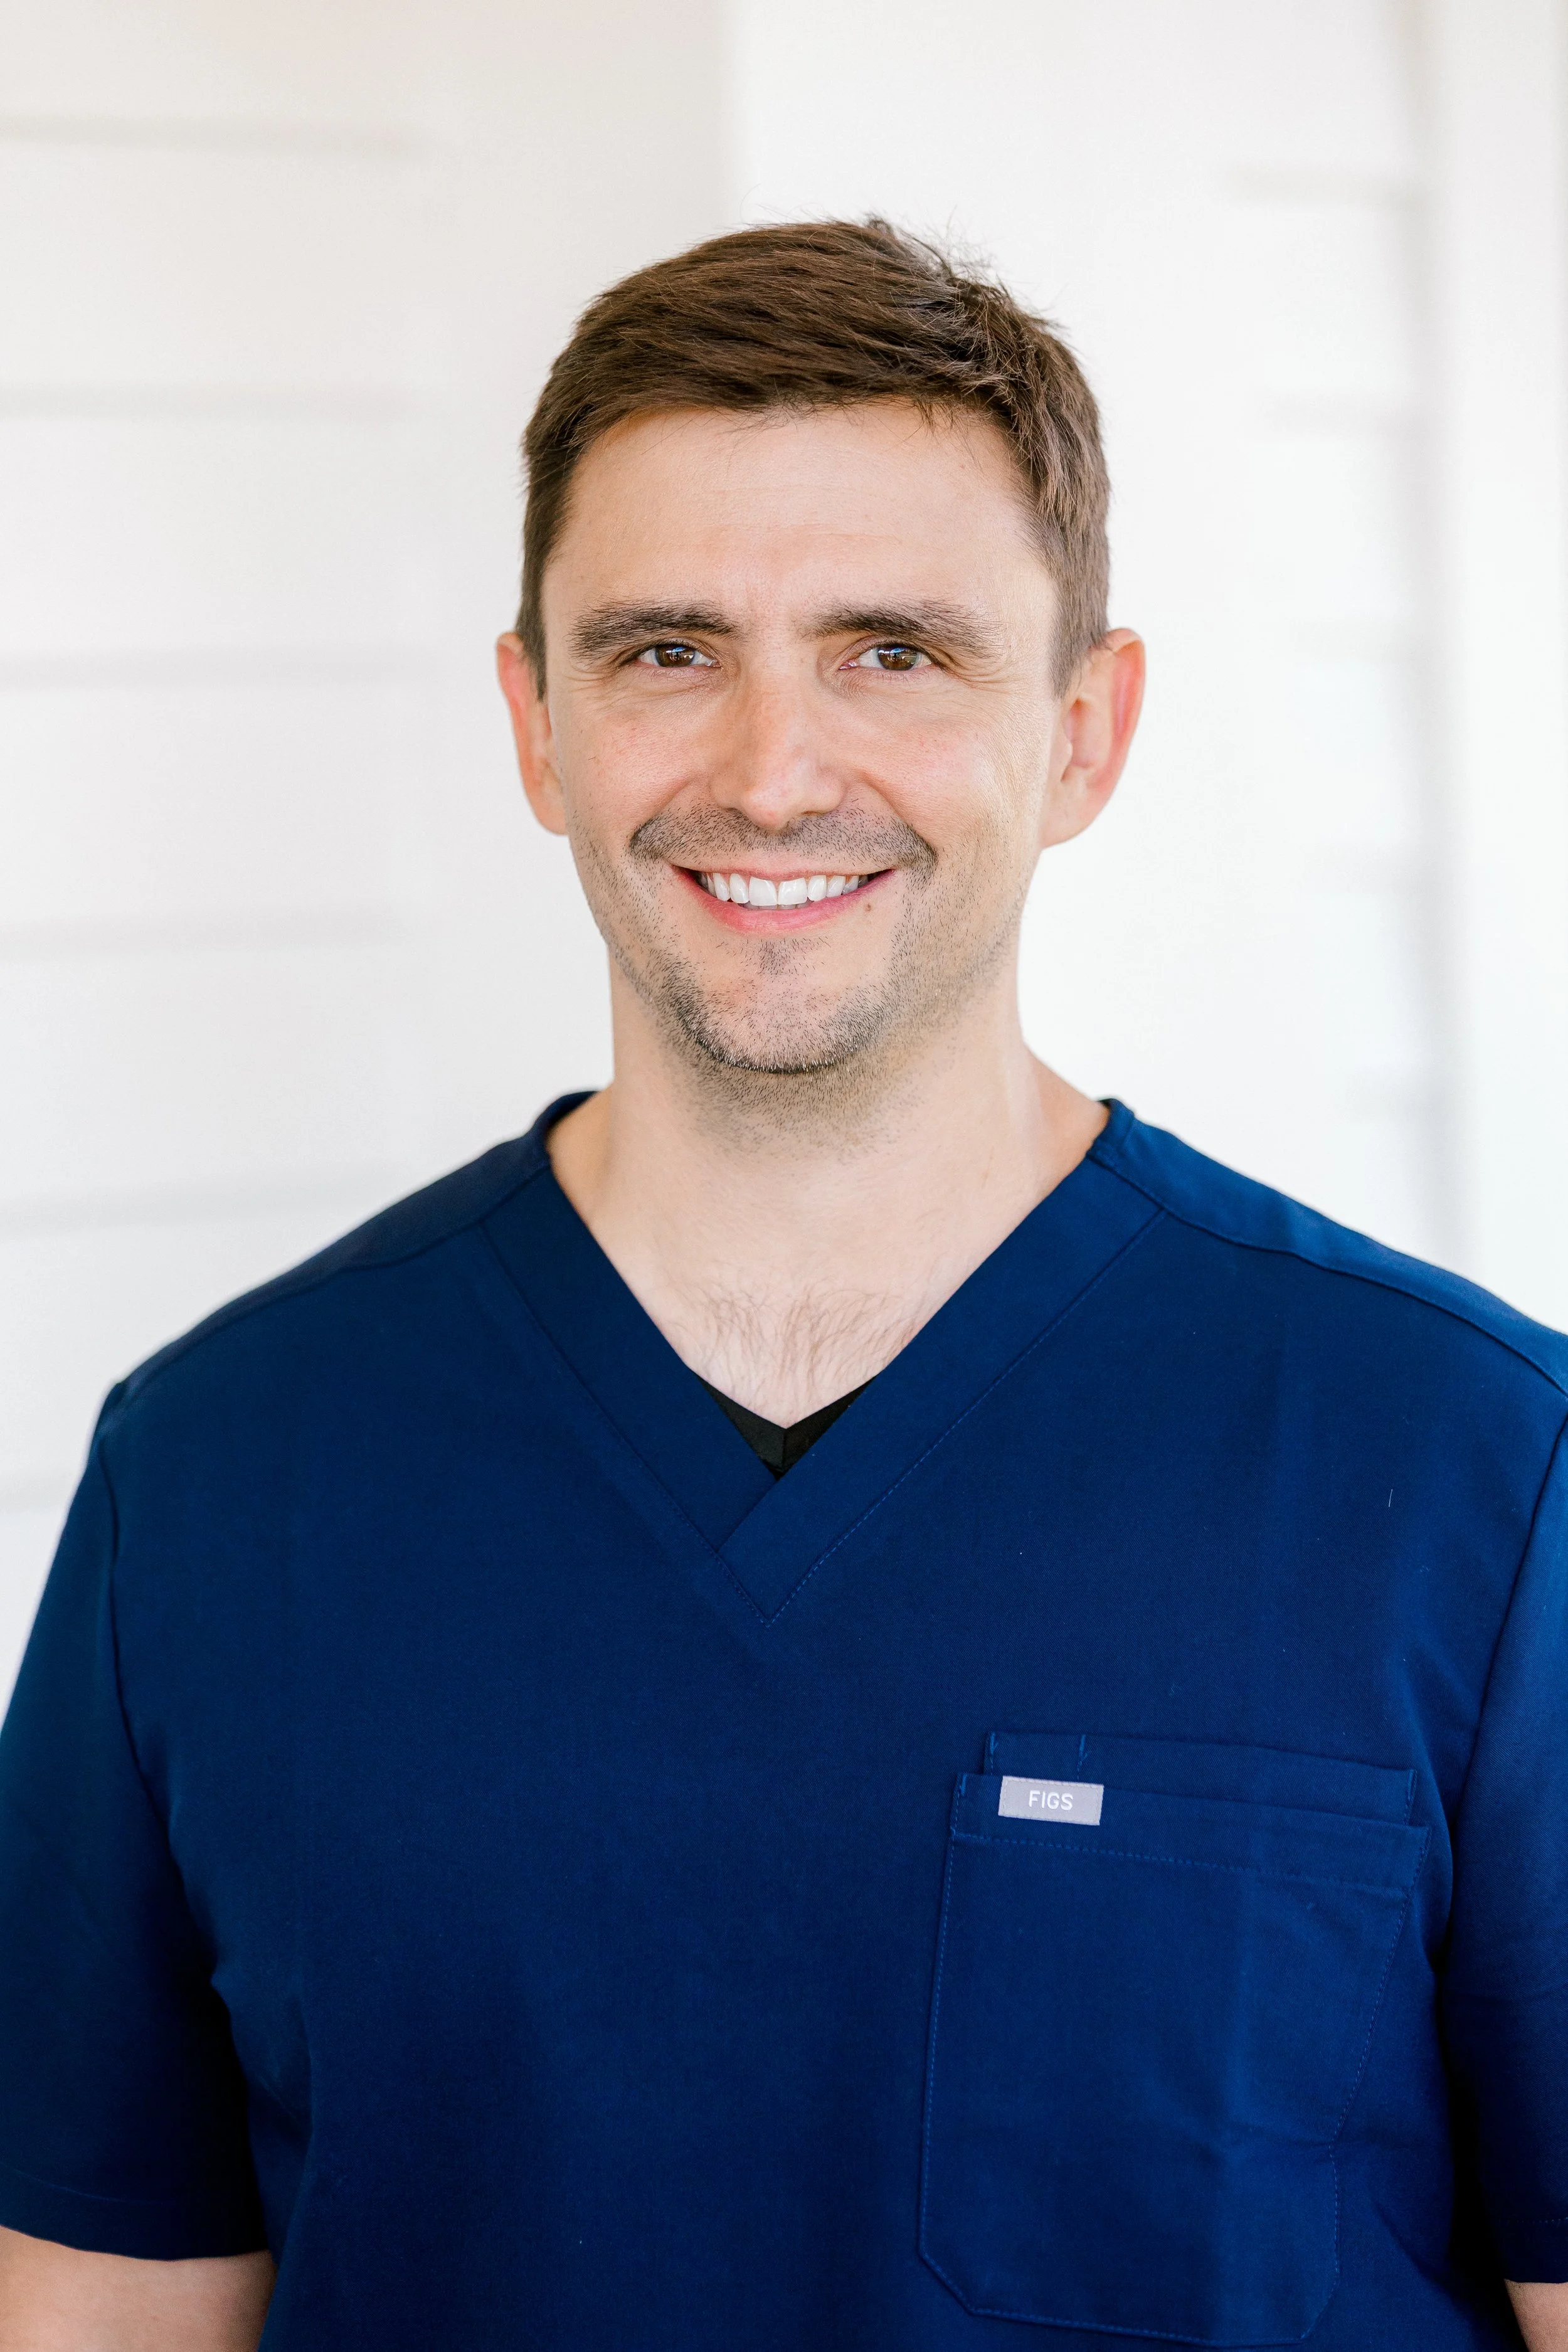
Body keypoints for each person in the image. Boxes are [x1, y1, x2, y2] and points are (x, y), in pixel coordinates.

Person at [0, 218, 1565, 2352]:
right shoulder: (214, 1475)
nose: (769, 769)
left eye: (892, 650)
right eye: (663, 649)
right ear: (533, 725)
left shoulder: (1475, 1472)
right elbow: (102, 2300)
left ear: (1086, 730)